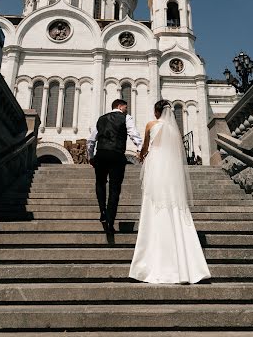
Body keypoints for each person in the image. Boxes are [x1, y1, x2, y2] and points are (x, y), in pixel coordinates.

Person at [129, 99, 211, 283]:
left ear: (156, 112)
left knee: (154, 202)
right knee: (173, 204)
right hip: (171, 171)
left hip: (156, 167)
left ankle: (153, 260)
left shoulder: (152, 124)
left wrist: (141, 155)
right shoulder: (174, 130)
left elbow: (145, 147)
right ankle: (186, 264)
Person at [87, 99, 142, 234]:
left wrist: (91, 156)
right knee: (114, 189)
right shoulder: (126, 118)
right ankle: (110, 221)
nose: (127, 109)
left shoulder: (101, 119)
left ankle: (103, 212)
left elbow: (91, 139)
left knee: (100, 183)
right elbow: (133, 134)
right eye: (125, 107)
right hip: (117, 155)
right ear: (119, 106)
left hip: (101, 154)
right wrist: (140, 148)